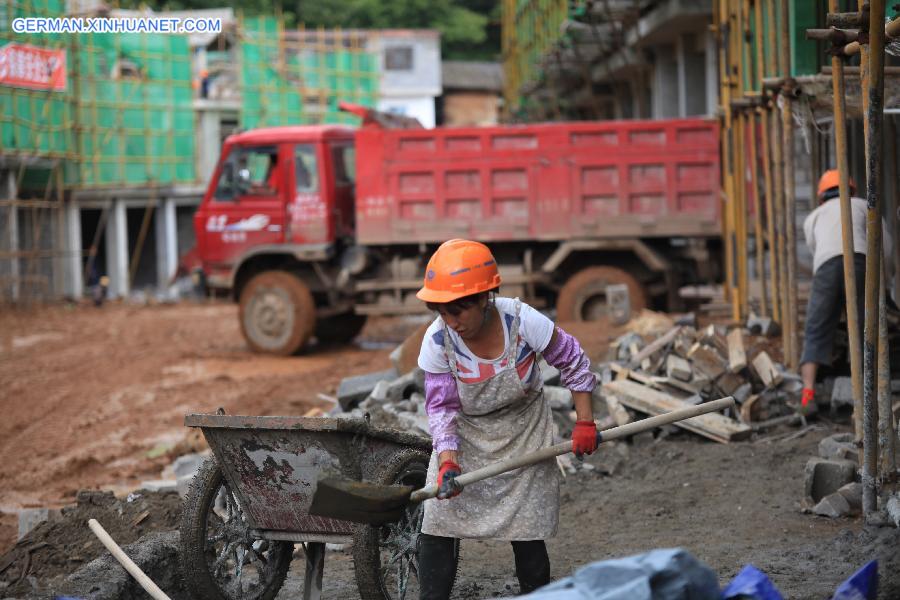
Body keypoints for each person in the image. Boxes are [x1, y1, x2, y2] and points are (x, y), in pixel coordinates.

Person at [414, 239, 599, 599]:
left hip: (524, 433)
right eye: (443, 312)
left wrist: (585, 423)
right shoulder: (437, 341)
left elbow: (573, 363)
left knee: (527, 532)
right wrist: (448, 462)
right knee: (437, 523)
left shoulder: (523, 321)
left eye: (459, 311)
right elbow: (441, 409)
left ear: (486, 298)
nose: (452, 322)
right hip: (467, 436)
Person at [799, 169, 893, 414]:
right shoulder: (864, 206)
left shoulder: (814, 216)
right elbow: (886, 247)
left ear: (821, 196)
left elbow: (816, 250)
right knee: (867, 328)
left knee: (816, 329)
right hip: (862, 262)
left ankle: (807, 395)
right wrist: (886, 282)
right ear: (852, 190)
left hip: (826, 266)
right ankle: (866, 394)